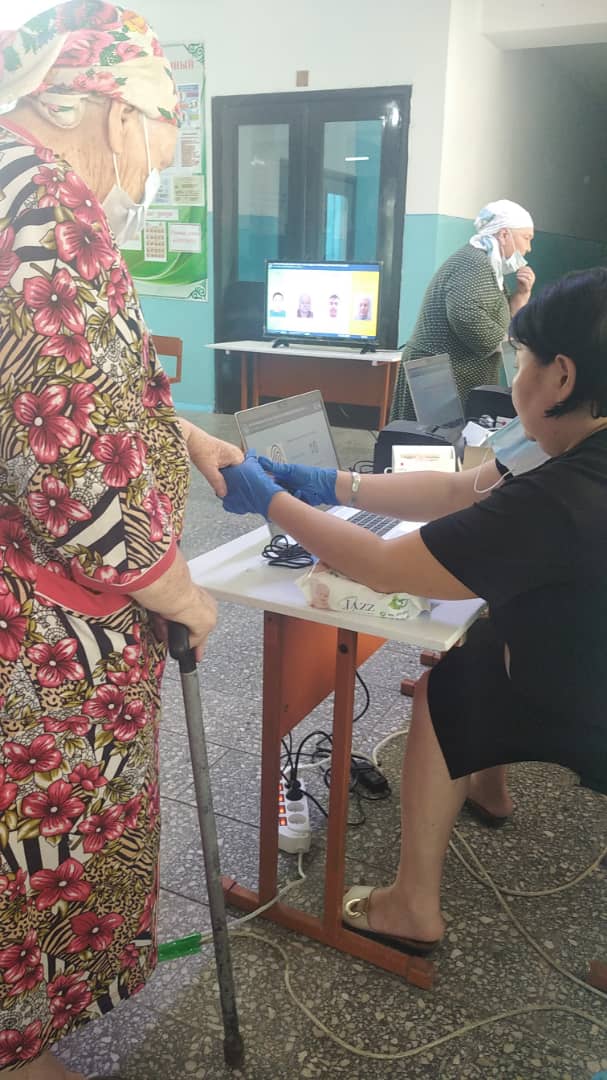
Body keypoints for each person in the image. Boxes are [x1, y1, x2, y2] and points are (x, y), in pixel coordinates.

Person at [220, 267, 607, 956]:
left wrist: (272, 500)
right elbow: (462, 490)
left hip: (591, 694)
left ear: (561, 376)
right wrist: (328, 483)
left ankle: (411, 907)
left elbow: (383, 567)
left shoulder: (566, 493)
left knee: (451, 686)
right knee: (478, 652)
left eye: (520, 359)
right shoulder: (569, 433)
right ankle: (488, 789)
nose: (514, 374)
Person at [0, 5, 241, 1078]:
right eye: (161, 138)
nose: (155, 167)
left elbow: (55, 382)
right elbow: (75, 465)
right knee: (33, 854)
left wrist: (174, 430)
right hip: (40, 632)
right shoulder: (47, 207)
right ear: (112, 108)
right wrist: (178, 588)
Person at [390, 198, 535, 421]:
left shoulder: (488, 265)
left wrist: (522, 295)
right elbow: (465, 314)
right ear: (504, 235)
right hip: (436, 376)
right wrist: (507, 342)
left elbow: (502, 318)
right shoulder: (474, 263)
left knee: (452, 437)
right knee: (430, 439)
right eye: (526, 238)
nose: (528, 248)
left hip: (451, 372)